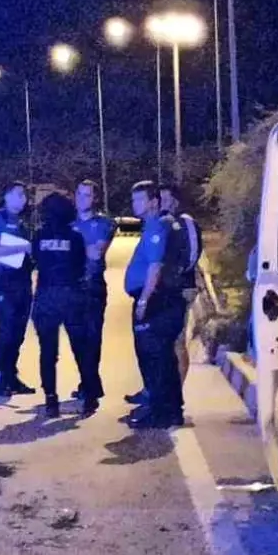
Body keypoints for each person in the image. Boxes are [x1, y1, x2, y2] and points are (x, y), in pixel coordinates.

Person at [122, 181, 191, 429]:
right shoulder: (159, 225)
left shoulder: (156, 227)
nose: (135, 204)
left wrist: (144, 300)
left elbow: (155, 266)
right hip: (162, 300)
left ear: (153, 202)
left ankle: (159, 412)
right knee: (164, 358)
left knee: (154, 359)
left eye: (140, 200)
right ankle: (171, 410)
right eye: (134, 200)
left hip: (155, 301)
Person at [30, 193, 103, 418]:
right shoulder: (75, 237)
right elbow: (82, 264)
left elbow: (36, 261)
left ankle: (51, 399)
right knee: (81, 349)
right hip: (72, 296)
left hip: (46, 297)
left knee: (48, 352)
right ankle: (89, 396)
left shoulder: (38, 236)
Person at [0, 182, 36, 397]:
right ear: (6, 196)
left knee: (18, 332)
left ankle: (11, 376)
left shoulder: (24, 222)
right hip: (4, 282)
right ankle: (0, 378)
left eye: (24, 195)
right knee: (6, 330)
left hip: (23, 280)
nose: (23, 198)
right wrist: (24, 247)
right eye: (18, 194)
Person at [69, 179, 114, 403]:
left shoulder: (104, 223)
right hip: (72, 287)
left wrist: (70, 247)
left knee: (92, 337)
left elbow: (97, 254)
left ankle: (90, 386)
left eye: (87, 195)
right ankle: (89, 383)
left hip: (92, 286)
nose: (81, 199)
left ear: (95, 198)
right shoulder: (68, 223)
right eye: (79, 194)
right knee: (77, 339)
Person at [160, 183, 204, 385]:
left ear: (175, 201)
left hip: (182, 289)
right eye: (160, 199)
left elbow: (193, 253)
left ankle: (176, 390)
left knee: (177, 341)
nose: (162, 203)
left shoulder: (186, 222)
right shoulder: (162, 222)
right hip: (165, 290)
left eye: (166, 199)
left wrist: (177, 274)